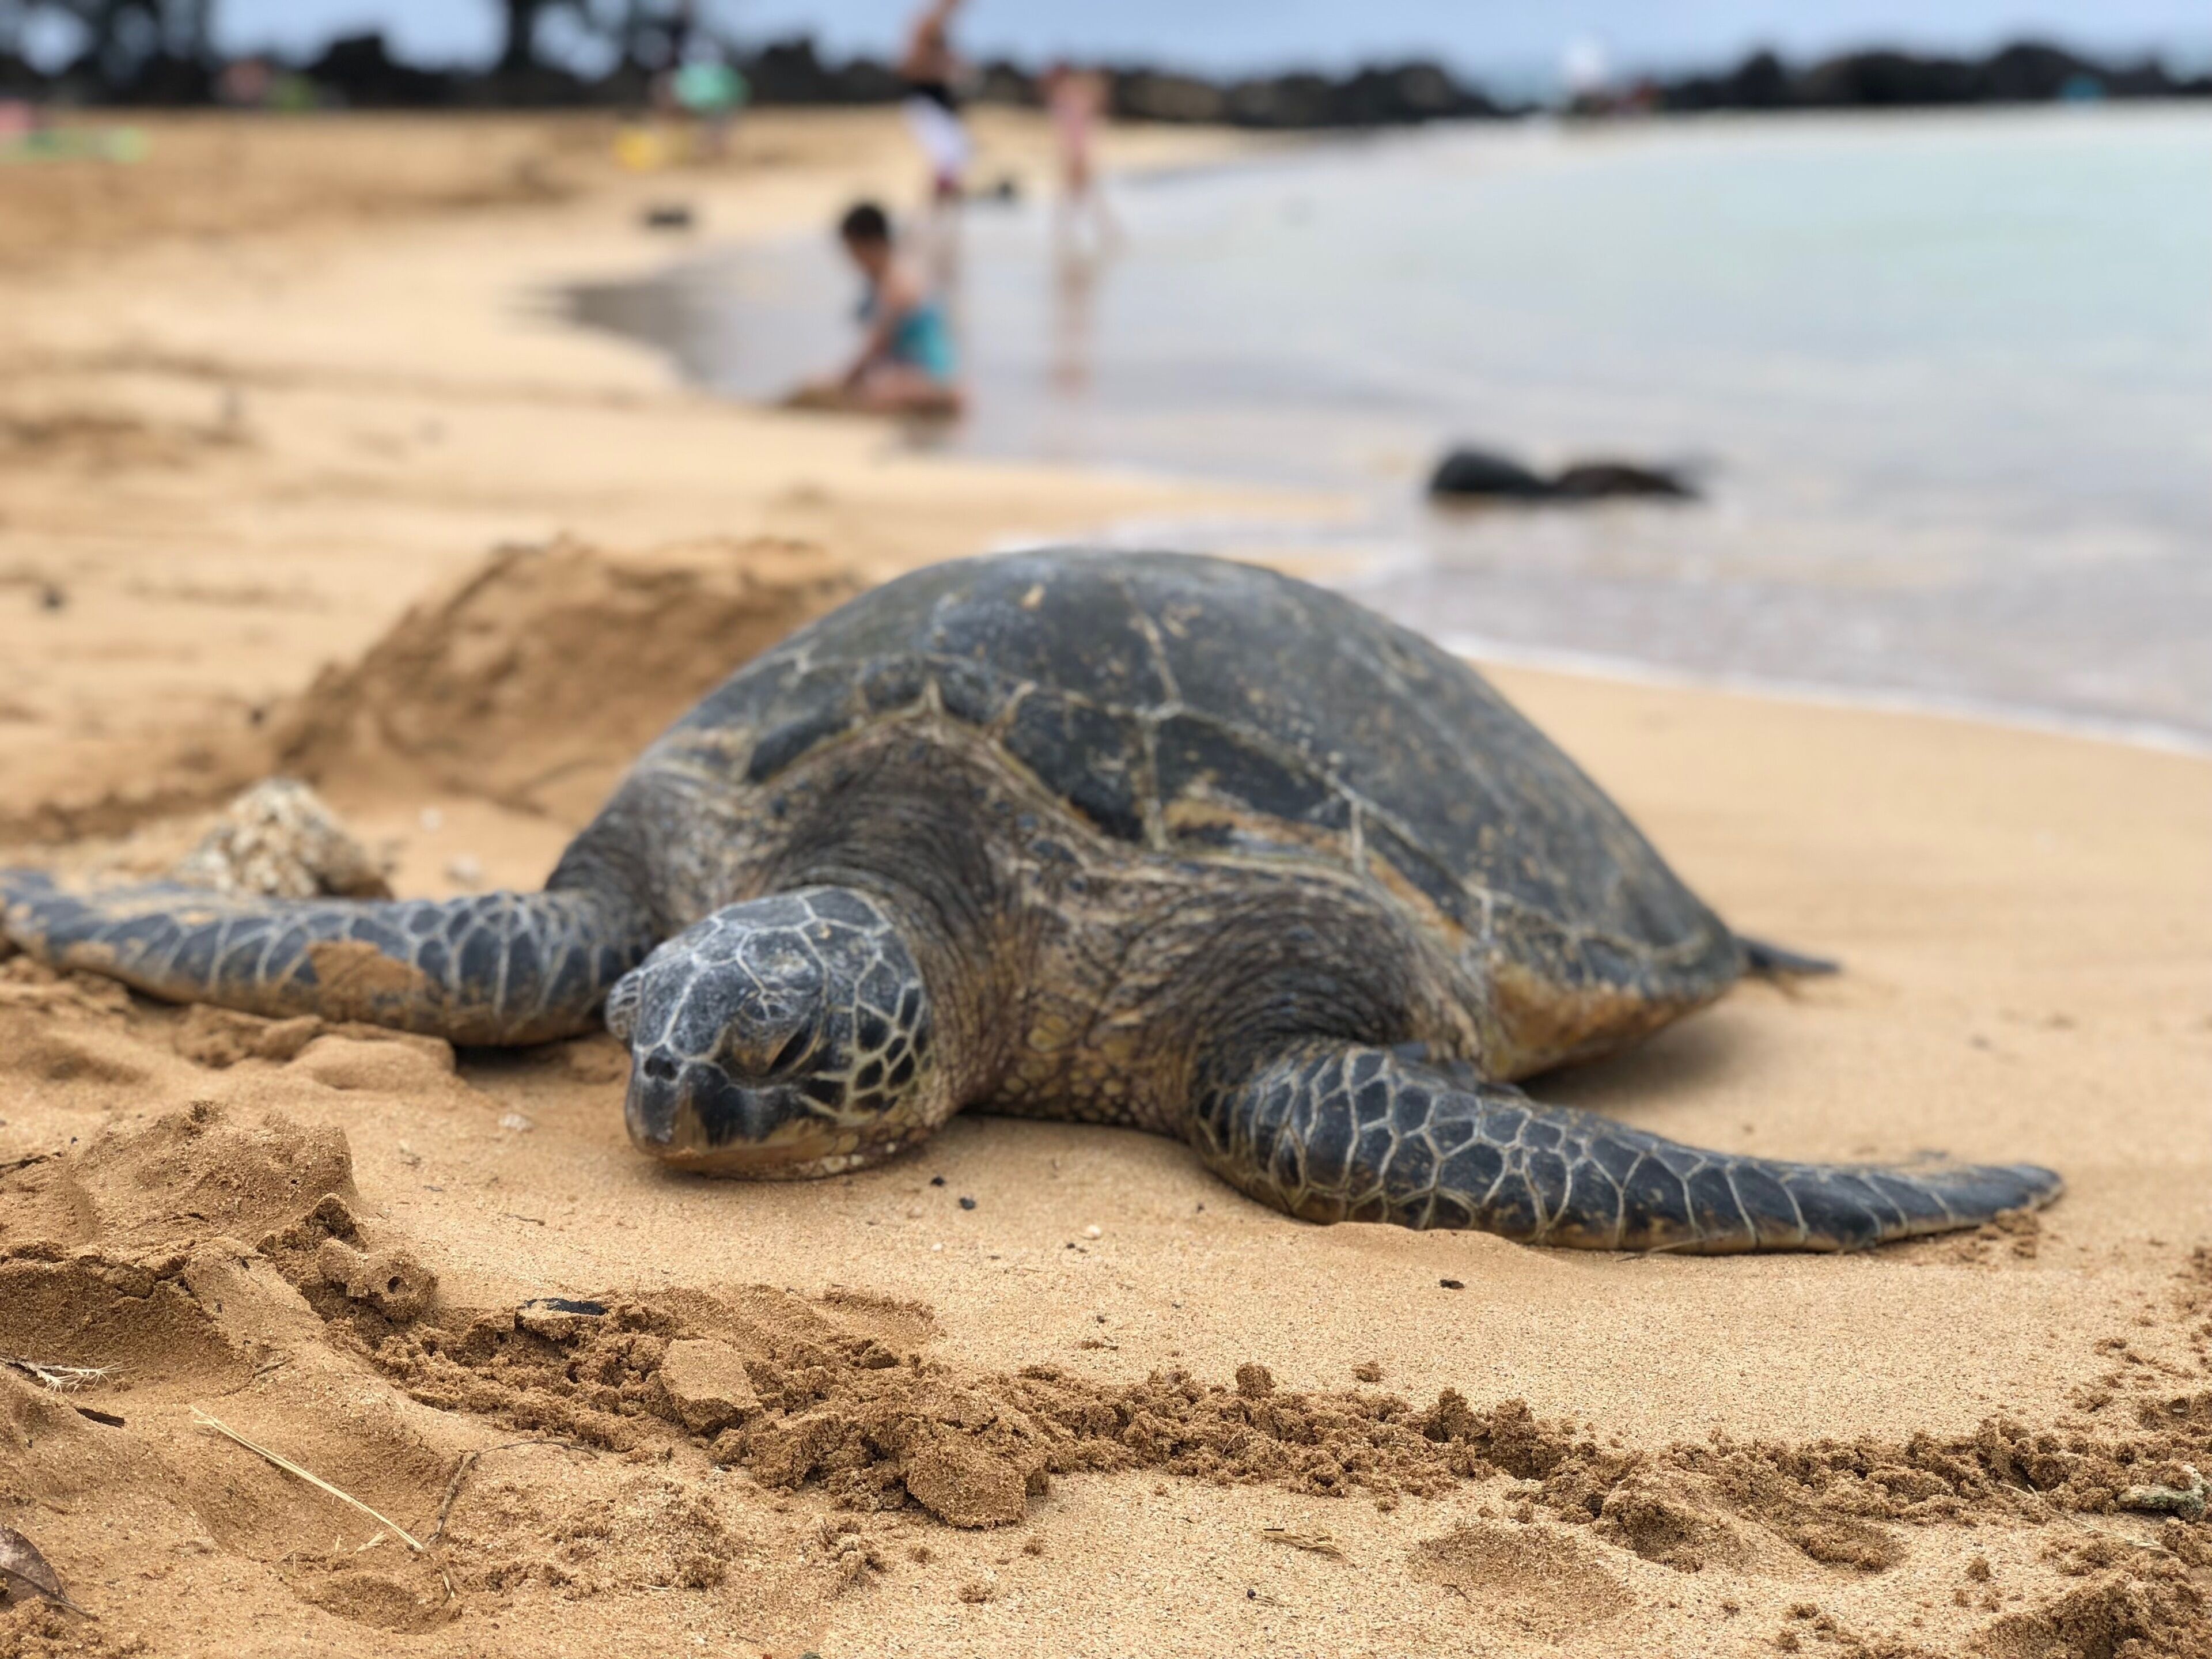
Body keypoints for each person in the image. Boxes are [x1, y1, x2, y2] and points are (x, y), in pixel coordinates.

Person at [787, 202, 964, 418]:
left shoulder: (899, 284)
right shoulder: (889, 279)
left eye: (852, 252)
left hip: (932, 380)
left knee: (866, 391)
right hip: (914, 373)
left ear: (868, 244)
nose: (852, 262)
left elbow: (878, 345)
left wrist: (841, 381)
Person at [899, 0, 971, 204]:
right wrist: (947, 68)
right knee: (951, 159)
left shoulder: (936, 28)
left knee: (953, 162)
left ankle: (939, 216)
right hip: (926, 102)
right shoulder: (926, 27)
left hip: (937, 103)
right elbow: (910, 68)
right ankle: (932, 215)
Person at [1043, 62, 1120, 249]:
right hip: (1075, 153)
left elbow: (1077, 130)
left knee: (1082, 196)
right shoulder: (1070, 98)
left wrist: (1076, 155)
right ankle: (1106, 234)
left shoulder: (1070, 98)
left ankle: (1063, 235)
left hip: (1077, 154)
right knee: (1083, 196)